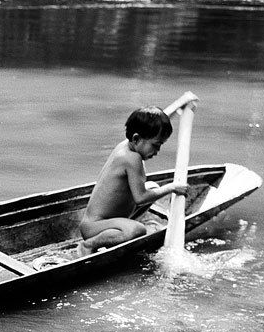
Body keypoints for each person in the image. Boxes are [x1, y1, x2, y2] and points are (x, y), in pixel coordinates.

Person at [78, 105, 189, 254]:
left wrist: (180, 105)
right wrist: (172, 187)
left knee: (153, 186)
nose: (157, 151)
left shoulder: (128, 143)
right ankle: (89, 245)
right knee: (137, 230)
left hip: (110, 219)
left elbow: (152, 124)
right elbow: (141, 198)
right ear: (136, 138)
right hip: (94, 227)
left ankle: (122, 226)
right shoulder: (131, 158)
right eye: (156, 145)